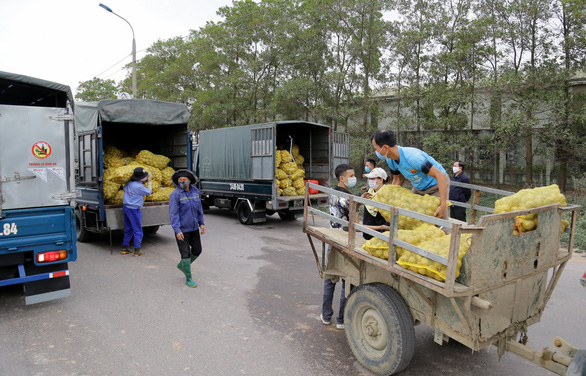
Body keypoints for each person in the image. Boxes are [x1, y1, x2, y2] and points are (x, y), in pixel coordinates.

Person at [371, 129, 449, 218]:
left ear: (385, 147)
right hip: (418, 187)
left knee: (437, 218)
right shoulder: (390, 160)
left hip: (436, 186)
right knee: (412, 216)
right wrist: (389, 198)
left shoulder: (413, 158)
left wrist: (443, 205)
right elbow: (398, 179)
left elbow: (440, 176)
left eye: (376, 149)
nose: (376, 152)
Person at [321, 163, 355, 330]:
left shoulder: (334, 192)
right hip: (345, 241)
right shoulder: (346, 198)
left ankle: (326, 316)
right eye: (351, 176)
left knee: (330, 279)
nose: (353, 178)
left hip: (332, 239)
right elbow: (353, 216)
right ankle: (341, 319)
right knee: (346, 280)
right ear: (342, 178)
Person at [169, 169, 205, 288]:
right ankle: (189, 278)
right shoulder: (175, 194)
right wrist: (177, 230)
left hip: (194, 228)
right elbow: (173, 214)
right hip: (182, 230)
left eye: (184, 180)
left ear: (190, 181)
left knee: (197, 250)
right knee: (185, 254)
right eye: (180, 180)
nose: (182, 182)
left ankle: (182, 266)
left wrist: (202, 223)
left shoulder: (195, 192)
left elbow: (199, 209)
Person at [121, 167, 153, 256]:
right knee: (138, 230)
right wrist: (149, 182)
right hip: (134, 209)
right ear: (141, 178)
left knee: (129, 228)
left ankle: (125, 247)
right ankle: (137, 250)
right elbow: (149, 192)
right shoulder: (139, 186)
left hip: (126, 208)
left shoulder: (128, 183)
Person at [361, 167, 390, 239]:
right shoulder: (369, 191)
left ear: (381, 180)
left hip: (380, 232)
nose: (370, 181)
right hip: (368, 228)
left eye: (372, 178)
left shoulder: (387, 193)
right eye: (369, 179)